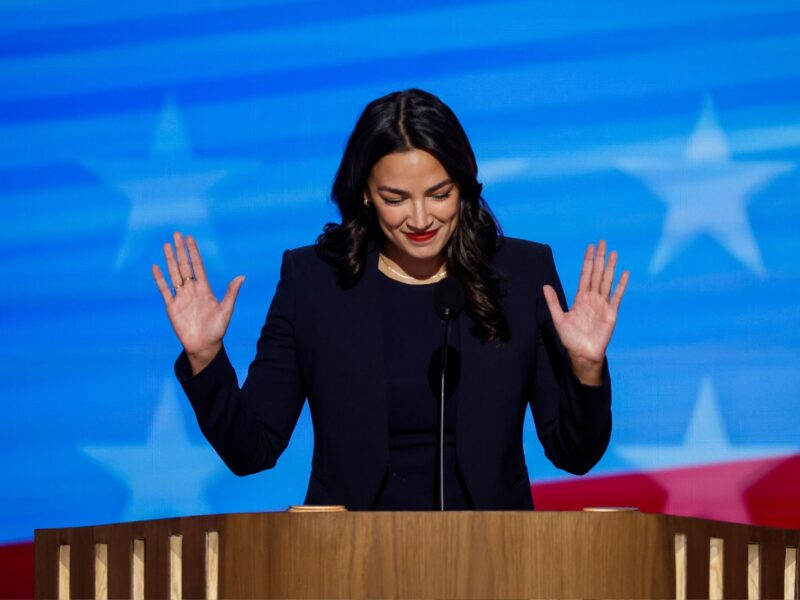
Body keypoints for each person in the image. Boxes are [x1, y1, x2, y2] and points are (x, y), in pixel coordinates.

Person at [152, 88, 629, 511]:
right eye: (396, 198)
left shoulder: (521, 275)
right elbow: (251, 450)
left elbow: (574, 454)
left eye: (439, 194)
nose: (420, 217)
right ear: (364, 193)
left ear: (463, 186)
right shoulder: (315, 282)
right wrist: (206, 358)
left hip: (493, 563)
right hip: (350, 566)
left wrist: (586, 369)